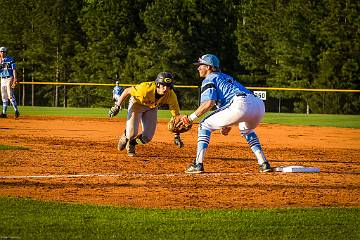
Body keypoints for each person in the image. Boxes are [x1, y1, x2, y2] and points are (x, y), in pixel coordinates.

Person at [178, 54, 272, 173]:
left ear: (208, 67)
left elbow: (209, 103)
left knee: (204, 125)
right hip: (258, 105)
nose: (198, 68)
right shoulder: (226, 77)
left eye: (200, 65)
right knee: (246, 129)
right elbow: (228, 108)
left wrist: (190, 118)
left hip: (240, 104)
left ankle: (198, 164)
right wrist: (226, 125)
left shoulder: (209, 79)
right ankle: (263, 163)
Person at [109, 72, 184, 156]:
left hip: (152, 108)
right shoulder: (145, 89)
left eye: (168, 86)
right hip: (137, 104)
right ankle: (127, 135)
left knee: (147, 138)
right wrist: (117, 106)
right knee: (131, 134)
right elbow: (127, 91)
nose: (166, 89)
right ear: (158, 84)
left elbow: (176, 117)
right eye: (163, 85)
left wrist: (177, 135)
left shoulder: (171, 95)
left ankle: (132, 143)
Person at [0, 47, 20, 119]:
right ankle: (4, 113)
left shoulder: (10, 59)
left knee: (10, 95)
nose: (2, 53)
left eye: (4, 52)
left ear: (6, 52)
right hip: (2, 79)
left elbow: (14, 69)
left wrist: (15, 78)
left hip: (9, 78)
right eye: (1, 52)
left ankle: (16, 111)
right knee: (3, 96)